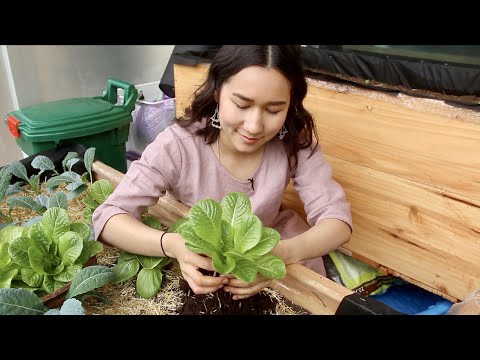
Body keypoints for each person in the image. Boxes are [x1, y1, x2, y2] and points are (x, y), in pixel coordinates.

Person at [92, 45, 352, 301]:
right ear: (217, 92)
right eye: (241, 104)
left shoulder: (294, 142)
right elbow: (109, 218)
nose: (254, 126)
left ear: (291, 104)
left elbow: (338, 223)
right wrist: (173, 245)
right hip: (204, 269)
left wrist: (281, 254)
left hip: (272, 253)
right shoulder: (179, 145)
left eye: (274, 110)